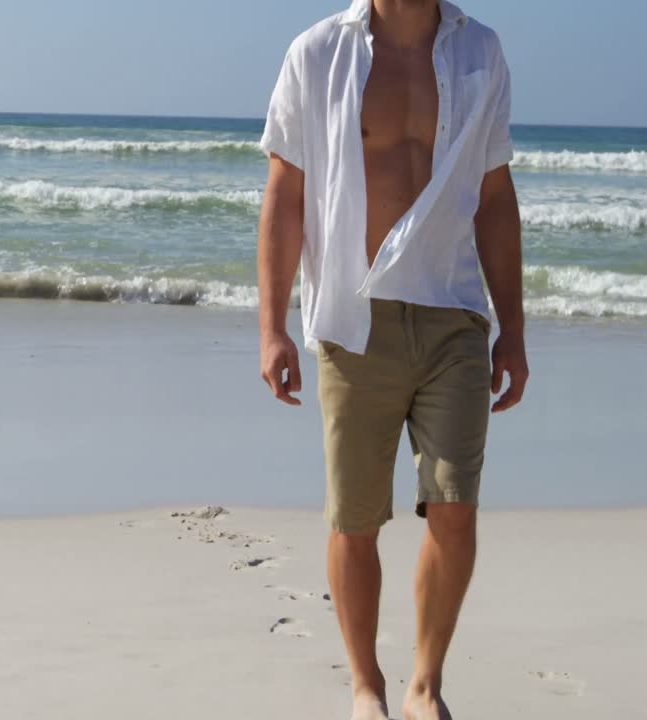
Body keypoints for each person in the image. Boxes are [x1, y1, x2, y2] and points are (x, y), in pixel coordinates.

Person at [256, 1, 528, 718]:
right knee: (355, 518)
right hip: (354, 316)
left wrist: (514, 328)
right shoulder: (318, 54)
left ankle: (424, 685)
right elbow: (285, 193)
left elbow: (494, 196)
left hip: (453, 311)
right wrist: (272, 326)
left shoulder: (481, 53)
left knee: (455, 507)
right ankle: (365, 685)